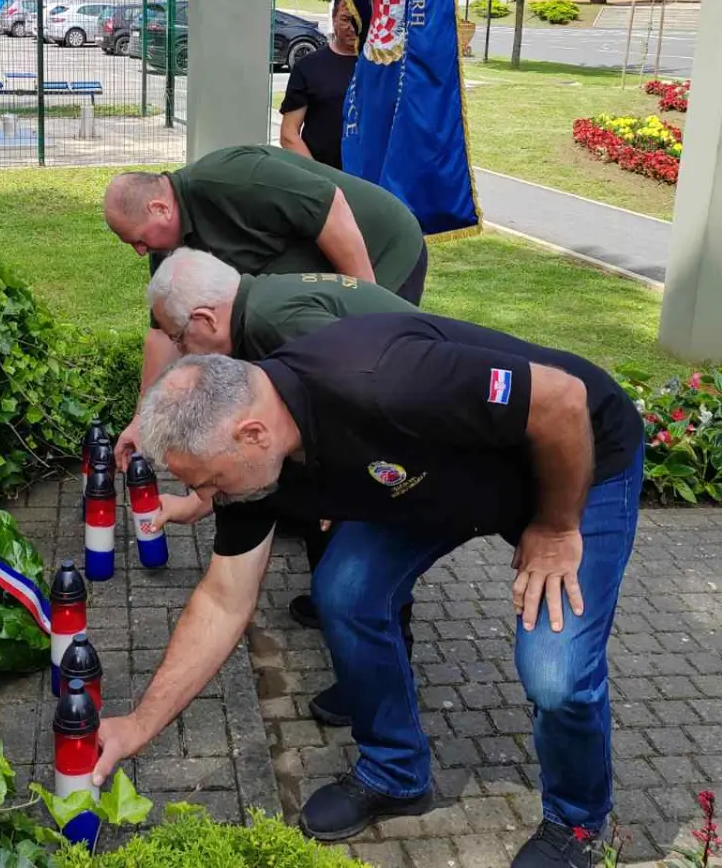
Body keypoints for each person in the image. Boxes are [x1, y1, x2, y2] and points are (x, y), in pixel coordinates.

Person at [89, 313, 645, 868]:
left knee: (556, 673)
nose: (205, 496)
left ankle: (577, 822)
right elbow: (222, 600)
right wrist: (139, 723)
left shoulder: (384, 378)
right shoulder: (255, 465)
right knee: (346, 593)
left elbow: (561, 399)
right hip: (437, 482)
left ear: (251, 434)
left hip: (576, 460)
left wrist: (554, 526)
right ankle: (395, 772)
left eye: (207, 481)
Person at [102, 145, 427, 631]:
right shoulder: (175, 255)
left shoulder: (230, 179)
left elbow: (331, 208)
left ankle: (364, 593)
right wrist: (142, 420)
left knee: (339, 412)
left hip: (378, 251)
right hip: (302, 298)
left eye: (139, 241)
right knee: (297, 420)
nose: (139, 252)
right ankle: (312, 517)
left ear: (159, 208)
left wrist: (364, 322)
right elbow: (161, 334)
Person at [141, 247, 421, 723]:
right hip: (373, 440)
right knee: (324, 540)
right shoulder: (255, 311)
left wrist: (349, 484)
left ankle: (380, 677)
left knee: (356, 574)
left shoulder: (277, 324)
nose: (181, 350)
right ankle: (349, 629)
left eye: (178, 338)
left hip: (415, 442)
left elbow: (358, 399)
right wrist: (200, 501)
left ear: (206, 319)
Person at [279, 0, 361, 169]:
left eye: (359, 18)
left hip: (370, 182)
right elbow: (289, 134)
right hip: (322, 179)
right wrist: (321, 181)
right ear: (333, 19)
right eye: (346, 19)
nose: (352, 27)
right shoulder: (308, 67)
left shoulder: (380, 70)